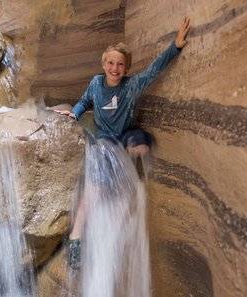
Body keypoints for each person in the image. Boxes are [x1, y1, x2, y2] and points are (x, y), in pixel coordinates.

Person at [55, 17, 191, 269]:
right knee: (96, 180)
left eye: (120, 64)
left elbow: (154, 69)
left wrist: (176, 46)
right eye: (110, 63)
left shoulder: (132, 85)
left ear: (126, 68)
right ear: (104, 65)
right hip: (105, 139)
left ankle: (121, 182)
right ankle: (77, 238)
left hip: (126, 134)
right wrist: (74, 113)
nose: (115, 68)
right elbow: (85, 102)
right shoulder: (96, 84)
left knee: (142, 142)